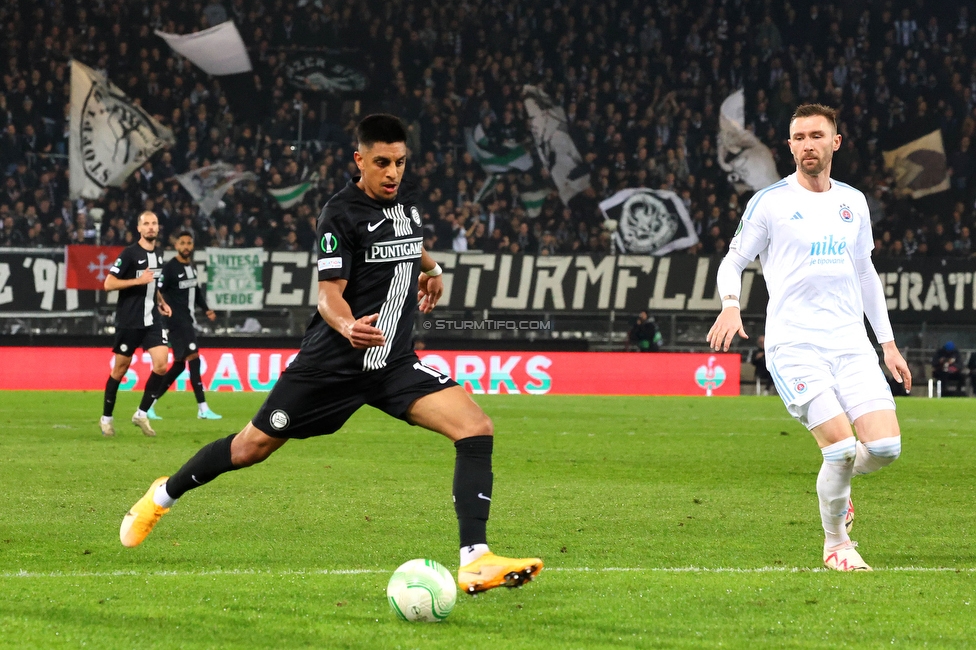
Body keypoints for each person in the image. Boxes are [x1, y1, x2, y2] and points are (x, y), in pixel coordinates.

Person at [118, 115, 543, 594]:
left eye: (400, 163)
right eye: (382, 162)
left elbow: (410, 244)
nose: (393, 173)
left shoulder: (406, 207)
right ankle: (163, 494)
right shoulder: (338, 213)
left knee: (475, 427)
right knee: (249, 448)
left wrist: (434, 267)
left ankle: (475, 558)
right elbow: (328, 294)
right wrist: (347, 326)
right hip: (331, 365)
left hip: (393, 363)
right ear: (359, 160)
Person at [707, 104, 912, 572]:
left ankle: (839, 485)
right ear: (790, 146)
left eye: (816, 136)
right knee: (838, 448)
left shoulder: (853, 202)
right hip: (794, 345)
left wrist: (888, 344)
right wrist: (731, 304)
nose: (807, 145)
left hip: (851, 345)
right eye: (798, 137)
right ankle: (836, 544)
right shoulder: (771, 202)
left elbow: (865, 272)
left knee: (884, 448)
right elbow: (733, 260)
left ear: (835, 142)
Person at [100, 211, 172, 438]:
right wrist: (137, 281)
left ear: (158, 228)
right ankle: (106, 418)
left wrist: (161, 302)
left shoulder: (159, 254)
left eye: (154, 224)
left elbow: (153, 283)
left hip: (152, 319)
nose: (151, 227)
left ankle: (141, 413)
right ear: (139, 229)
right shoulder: (129, 254)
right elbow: (108, 284)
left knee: (161, 365)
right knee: (119, 370)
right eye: (146, 224)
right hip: (129, 321)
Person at [148, 230, 222, 420]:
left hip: (187, 319)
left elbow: (196, 291)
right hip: (176, 321)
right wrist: (162, 310)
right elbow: (158, 290)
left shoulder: (191, 268)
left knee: (179, 366)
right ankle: (203, 408)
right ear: (176, 246)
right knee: (194, 358)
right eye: (183, 243)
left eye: (189, 243)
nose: (186, 247)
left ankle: (149, 405)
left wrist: (206, 309)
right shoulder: (170, 268)